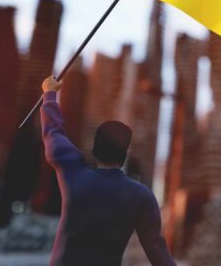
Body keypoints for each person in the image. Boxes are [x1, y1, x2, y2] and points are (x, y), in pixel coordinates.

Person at [40, 76, 176, 266]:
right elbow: (157, 252)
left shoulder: (73, 173)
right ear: (125, 154)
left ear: (95, 148)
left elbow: (53, 133)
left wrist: (50, 95)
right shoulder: (141, 196)